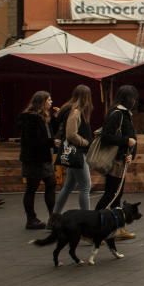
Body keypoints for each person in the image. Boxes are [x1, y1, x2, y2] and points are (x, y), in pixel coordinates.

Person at [95, 85, 139, 241]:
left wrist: (131, 154)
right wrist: (126, 141)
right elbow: (106, 137)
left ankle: (118, 228)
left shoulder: (125, 114)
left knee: (116, 194)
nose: (134, 101)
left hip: (121, 160)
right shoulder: (117, 114)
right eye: (132, 98)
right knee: (111, 195)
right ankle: (94, 226)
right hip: (114, 161)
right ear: (126, 99)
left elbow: (132, 137)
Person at [52, 85, 94, 215]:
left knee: (68, 187)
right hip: (77, 152)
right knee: (85, 187)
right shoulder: (76, 111)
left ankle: (54, 218)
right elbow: (71, 134)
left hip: (71, 152)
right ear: (86, 97)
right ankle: (86, 220)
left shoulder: (67, 109)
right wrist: (85, 141)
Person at [18, 91, 56, 230]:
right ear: (42, 102)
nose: (51, 102)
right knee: (32, 187)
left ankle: (51, 217)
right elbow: (35, 140)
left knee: (50, 183)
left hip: (41, 157)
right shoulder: (32, 118)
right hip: (34, 158)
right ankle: (31, 219)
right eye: (49, 100)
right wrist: (52, 142)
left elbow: (46, 135)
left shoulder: (42, 117)